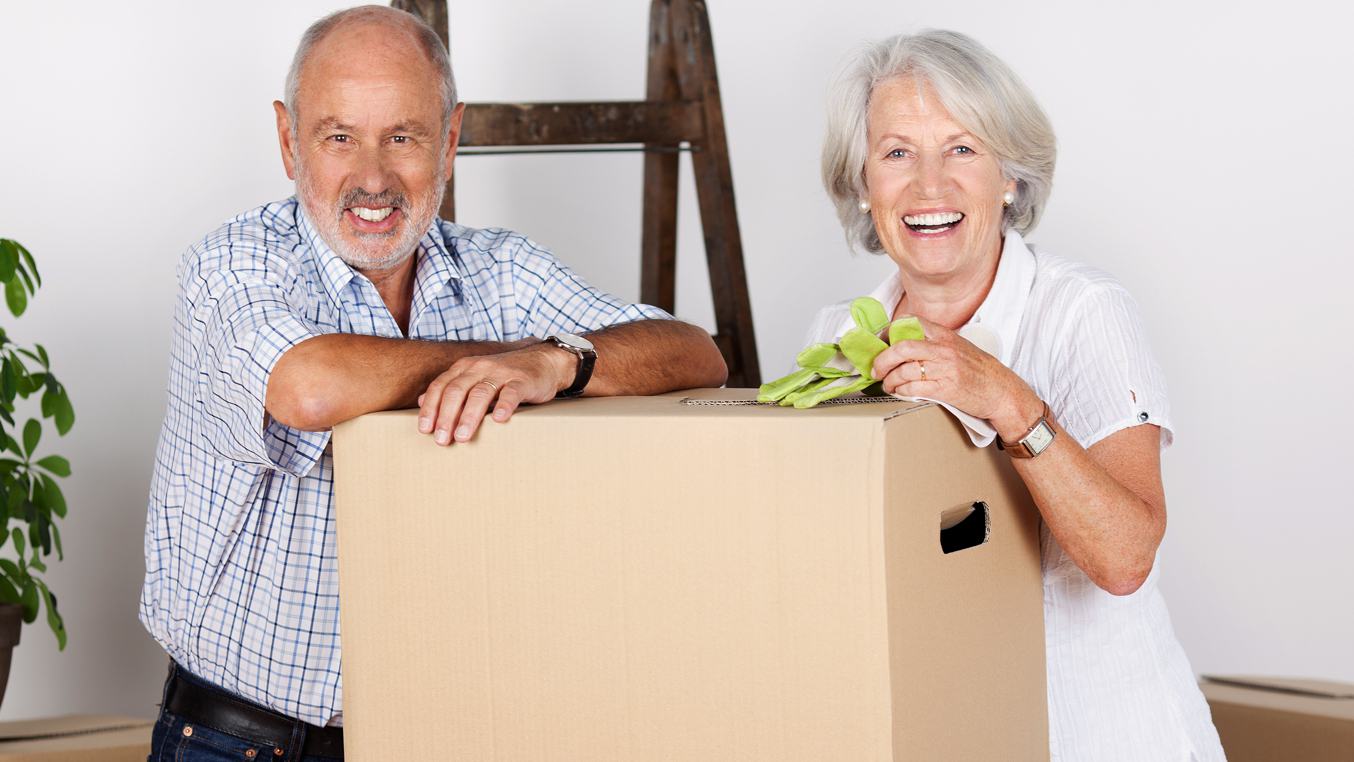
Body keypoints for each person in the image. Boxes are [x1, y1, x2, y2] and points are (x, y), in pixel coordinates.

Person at [140, 6, 726, 760]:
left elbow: (694, 352)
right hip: (240, 743)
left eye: (404, 136)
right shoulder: (232, 264)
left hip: (449, 734)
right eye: (339, 136)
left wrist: (552, 362)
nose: (373, 178)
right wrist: (495, 357)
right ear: (290, 142)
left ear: (449, 142)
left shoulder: (504, 269)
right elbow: (309, 389)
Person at [813, 30, 1224, 759]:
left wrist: (1006, 398)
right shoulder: (836, 342)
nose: (929, 186)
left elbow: (1125, 560)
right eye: (897, 152)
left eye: (963, 148)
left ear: (1010, 177)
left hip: (1101, 738)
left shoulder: (1085, 312)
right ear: (861, 183)